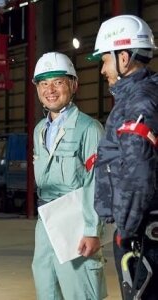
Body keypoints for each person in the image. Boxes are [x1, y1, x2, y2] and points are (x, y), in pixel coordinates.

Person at [90, 15, 158, 299]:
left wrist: (126, 230)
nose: (103, 69)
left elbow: (138, 172)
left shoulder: (139, 102)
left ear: (124, 58)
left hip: (143, 233)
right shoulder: (140, 96)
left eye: (105, 60)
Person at [31, 52, 107, 299]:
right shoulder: (40, 130)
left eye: (58, 82)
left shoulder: (89, 128)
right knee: (47, 287)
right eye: (43, 83)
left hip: (76, 220)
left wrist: (92, 230)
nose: (50, 90)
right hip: (46, 219)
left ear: (73, 85)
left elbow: (96, 182)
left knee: (80, 289)